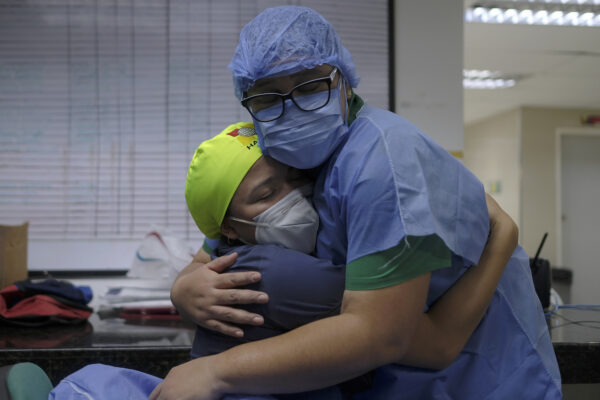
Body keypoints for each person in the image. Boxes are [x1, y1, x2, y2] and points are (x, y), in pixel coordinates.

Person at [158, 6, 561, 400]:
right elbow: (215, 242)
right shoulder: (290, 156)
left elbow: (383, 335)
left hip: (478, 378)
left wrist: (214, 372)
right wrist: (184, 288)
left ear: (344, 81)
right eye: (267, 96)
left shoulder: (383, 162)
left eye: (311, 85)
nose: (292, 108)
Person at [151, 122, 518, 400]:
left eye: (296, 176)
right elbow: (436, 343)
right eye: (267, 194)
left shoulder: (238, 251)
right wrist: (502, 236)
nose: (294, 195)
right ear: (230, 228)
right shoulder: (278, 275)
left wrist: (183, 284)